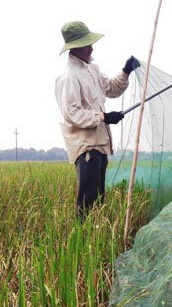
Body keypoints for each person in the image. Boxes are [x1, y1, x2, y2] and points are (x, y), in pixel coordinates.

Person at [55, 21, 141, 220]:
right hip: (86, 147)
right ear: (74, 48)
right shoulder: (69, 77)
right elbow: (72, 113)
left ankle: (94, 235)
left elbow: (111, 88)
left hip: (100, 143)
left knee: (99, 197)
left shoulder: (92, 70)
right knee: (88, 199)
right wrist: (103, 117)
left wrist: (126, 70)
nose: (91, 47)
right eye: (86, 44)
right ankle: (84, 239)